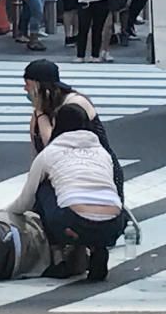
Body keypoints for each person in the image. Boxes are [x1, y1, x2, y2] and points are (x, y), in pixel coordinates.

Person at [6, 104, 124, 281]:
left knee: (45, 188)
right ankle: (98, 247)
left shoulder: (50, 154)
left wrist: (4, 213)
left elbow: (26, 201)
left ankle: (58, 256)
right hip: (114, 224)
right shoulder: (103, 153)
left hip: (73, 223)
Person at [23, 59, 124, 201]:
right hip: (60, 176)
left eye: (27, 84)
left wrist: (40, 113)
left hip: (92, 174)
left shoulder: (74, 106)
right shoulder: (40, 112)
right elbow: (37, 152)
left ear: (38, 85)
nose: (25, 89)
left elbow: (54, 146)